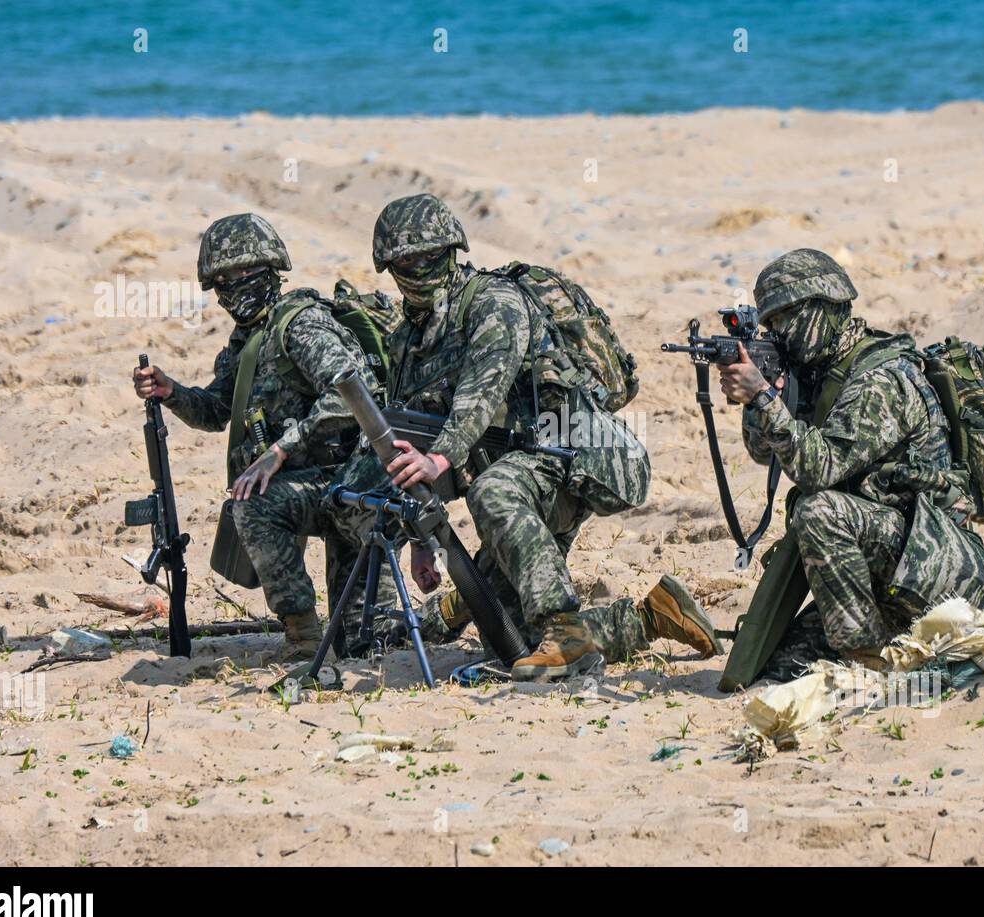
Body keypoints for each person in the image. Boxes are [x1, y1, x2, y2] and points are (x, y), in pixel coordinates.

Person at [370, 193, 719, 680]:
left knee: (494, 491)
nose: (421, 269)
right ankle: (650, 617)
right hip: (523, 473)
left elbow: (481, 389)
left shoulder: (496, 302)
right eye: (407, 261)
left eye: (432, 256)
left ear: (454, 251)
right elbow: (413, 435)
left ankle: (563, 625)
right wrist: (419, 540)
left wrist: (442, 459)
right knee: (509, 641)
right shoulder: (409, 339)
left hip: (577, 452)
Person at [718, 248, 984, 681]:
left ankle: (865, 662)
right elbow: (764, 453)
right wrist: (763, 398)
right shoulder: (819, 372)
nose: (778, 332)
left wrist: (763, 397)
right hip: (884, 568)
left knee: (818, 508)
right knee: (778, 664)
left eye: (784, 319)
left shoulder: (879, 379)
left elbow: (818, 468)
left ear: (823, 308)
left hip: (935, 568)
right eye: (769, 323)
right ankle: (884, 644)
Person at [132, 213, 393, 661]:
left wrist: (280, 450)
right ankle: (303, 638)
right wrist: (171, 392)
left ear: (271, 270)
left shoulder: (301, 325)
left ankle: (461, 609)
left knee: (372, 640)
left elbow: (353, 395)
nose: (234, 287)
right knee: (250, 505)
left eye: (244, 274)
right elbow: (218, 410)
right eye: (223, 280)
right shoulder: (248, 340)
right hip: (312, 489)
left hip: (354, 486)